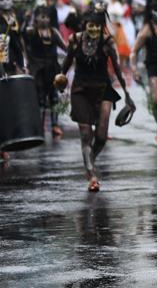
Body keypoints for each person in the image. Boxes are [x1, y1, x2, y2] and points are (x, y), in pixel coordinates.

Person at [55, 10, 133, 192]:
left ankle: (90, 161)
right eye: (91, 25)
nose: (94, 28)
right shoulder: (75, 40)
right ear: (85, 25)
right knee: (85, 135)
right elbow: (67, 62)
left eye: (98, 25)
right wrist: (60, 77)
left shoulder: (107, 42)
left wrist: (127, 95)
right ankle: (91, 174)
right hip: (81, 89)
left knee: (101, 136)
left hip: (103, 89)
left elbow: (117, 69)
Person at [130, 0, 157, 143]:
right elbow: (133, 52)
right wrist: (134, 69)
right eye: (156, 10)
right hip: (154, 67)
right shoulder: (146, 31)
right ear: (150, 12)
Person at [24, 4, 66, 138]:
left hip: (52, 69)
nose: (44, 19)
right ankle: (39, 126)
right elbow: (22, 36)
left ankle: (55, 125)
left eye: (47, 17)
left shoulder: (53, 32)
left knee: (54, 97)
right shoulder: (31, 31)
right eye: (41, 16)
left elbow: (65, 47)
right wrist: (26, 19)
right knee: (40, 99)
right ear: (36, 18)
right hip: (38, 70)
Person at [0, 0, 25, 75]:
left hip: (18, 50)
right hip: (5, 53)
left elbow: (21, 36)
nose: (5, 2)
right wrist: (8, 26)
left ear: (11, 1)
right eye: (1, 0)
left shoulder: (18, 16)